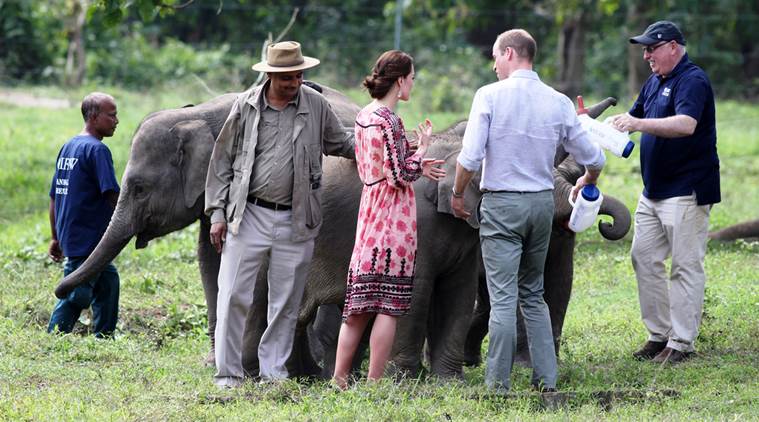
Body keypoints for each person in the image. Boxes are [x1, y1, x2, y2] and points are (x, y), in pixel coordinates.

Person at [451, 29, 605, 392]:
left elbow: (470, 156)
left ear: (509, 53)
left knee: (503, 296)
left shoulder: (488, 96)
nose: (493, 66)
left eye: (494, 57)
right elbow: (593, 156)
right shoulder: (558, 101)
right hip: (540, 205)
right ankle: (546, 380)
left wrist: (458, 192)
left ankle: (497, 384)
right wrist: (589, 177)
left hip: (503, 205)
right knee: (534, 294)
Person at [205, 41, 355, 388]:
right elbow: (221, 162)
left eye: (299, 75)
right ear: (271, 75)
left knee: (287, 301)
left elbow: (342, 143)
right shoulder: (245, 106)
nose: (295, 82)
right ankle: (228, 375)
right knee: (233, 296)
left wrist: (383, 142)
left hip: (297, 218)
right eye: (288, 77)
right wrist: (216, 214)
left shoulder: (316, 105)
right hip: (248, 213)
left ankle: (274, 375)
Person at [331, 50, 446, 390]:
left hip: (369, 210)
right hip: (393, 216)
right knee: (389, 304)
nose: (412, 84)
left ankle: (339, 378)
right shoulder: (390, 120)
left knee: (359, 302)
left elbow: (379, 164)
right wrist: (423, 150)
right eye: (411, 78)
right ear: (399, 80)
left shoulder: (364, 116)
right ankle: (374, 382)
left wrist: (413, 158)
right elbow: (400, 174)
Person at [608, 20, 720, 364]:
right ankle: (659, 335)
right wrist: (590, 126)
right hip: (652, 192)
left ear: (673, 46)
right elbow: (630, 117)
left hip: (686, 190)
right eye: (644, 49)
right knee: (643, 258)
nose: (646, 56)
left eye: (651, 48)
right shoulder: (655, 82)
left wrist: (638, 124)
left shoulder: (693, 81)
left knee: (685, 266)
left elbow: (686, 125)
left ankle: (682, 343)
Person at [47, 92, 121, 338]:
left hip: (73, 234)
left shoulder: (69, 146)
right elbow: (112, 194)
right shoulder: (97, 150)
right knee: (77, 293)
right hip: (88, 237)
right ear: (93, 116)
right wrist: (134, 218)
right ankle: (54, 337)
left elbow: (54, 196)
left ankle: (105, 338)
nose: (116, 120)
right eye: (111, 115)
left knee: (108, 283)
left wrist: (55, 237)